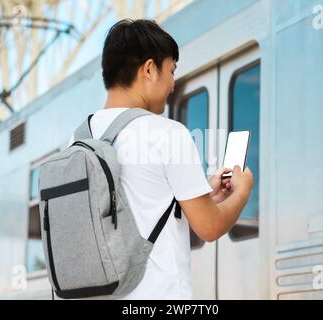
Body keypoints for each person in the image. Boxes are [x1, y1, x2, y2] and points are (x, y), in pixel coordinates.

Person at [68, 19, 254, 299]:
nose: (172, 84)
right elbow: (210, 227)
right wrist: (243, 191)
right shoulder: (168, 133)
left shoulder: (77, 140)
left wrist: (202, 194)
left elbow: (131, 210)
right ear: (149, 69)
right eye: (171, 70)